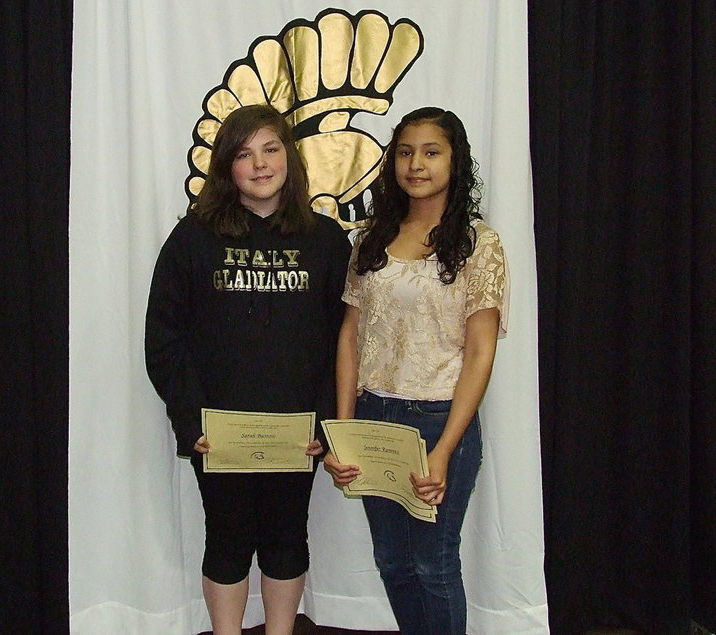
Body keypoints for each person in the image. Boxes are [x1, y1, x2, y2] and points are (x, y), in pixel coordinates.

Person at [145, 104, 349, 635]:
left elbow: (347, 340)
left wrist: (327, 421)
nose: (260, 164)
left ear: (290, 158)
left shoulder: (327, 240)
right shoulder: (192, 238)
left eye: (271, 149)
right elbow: (164, 339)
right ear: (226, 167)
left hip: (298, 433)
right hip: (219, 434)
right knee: (227, 540)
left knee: (288, 538)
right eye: (244, 153)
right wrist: (189, 420)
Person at [323, 106, 509, 635]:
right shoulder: (372, 238)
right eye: (405, 152)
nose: (416, 164)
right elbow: (350, 336)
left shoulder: (479, 243)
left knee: (433, 564)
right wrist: (343, 430)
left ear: (455, 161)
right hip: (373, 416)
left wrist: (444, 449)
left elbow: (480, 353)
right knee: (393, 562)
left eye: (431, 152)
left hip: (438, 421)